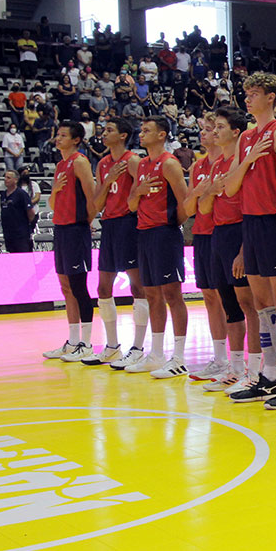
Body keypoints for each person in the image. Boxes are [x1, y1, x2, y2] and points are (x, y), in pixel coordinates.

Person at [222, 73, 276, 405]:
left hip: (274, 221)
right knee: (261, 305)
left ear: (271, 97)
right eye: (246, 94)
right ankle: (269, 374)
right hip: (251, 223)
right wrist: (251, 157)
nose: (248, 99)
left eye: (254, 94)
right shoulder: (246, 140)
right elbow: (230, 187)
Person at [199, 108, 262, 396]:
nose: (214, 132)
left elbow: (251, 208)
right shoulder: (215, 165)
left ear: (235, 132)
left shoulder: (241, 163)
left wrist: (244, 249)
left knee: (249, 305)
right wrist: (210, 191)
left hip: (240, 233)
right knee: (229, 306)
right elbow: (203, 209)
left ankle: (257, 369)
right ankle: (235, 368)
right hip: (218, 235)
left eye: (220, 127)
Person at [124, 117, 192, 379]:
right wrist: (138, 191)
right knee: (151, 294)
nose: (141, 134)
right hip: (143, 233)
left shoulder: (170, 164)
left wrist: (170, 225)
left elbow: (185, 204)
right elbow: (130, 204)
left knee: (172, 295)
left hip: (164, 234)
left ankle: (180, 357)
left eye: (147, 130)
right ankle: (156, 354)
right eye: (141, 130)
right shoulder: (141, 164)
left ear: (162, 135)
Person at [183, 112, 245, 383]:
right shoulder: (198, 167)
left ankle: (241, 362)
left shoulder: (232, 161)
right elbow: (187, 209)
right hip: (204, 234)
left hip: (227, 231)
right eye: (205, 128)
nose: (206, 133)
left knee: (236, 299)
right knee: (210, 296)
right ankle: (220, 359)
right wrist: (199, 193)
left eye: (212, 128)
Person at [83, 118, 149, 369]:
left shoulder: (133, 161)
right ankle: (111, 346)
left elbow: (140, 194)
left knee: (138, 287)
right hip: (109, 225)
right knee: (103, 288)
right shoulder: (102, 164)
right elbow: (97, 204)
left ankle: (138, 347)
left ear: (123, 136)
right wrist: (109, 179)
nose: (103, 133)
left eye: (110, 130)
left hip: (128, 224)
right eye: (104, 130)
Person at [41, 122, 98, 362]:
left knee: (78, 287)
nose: (58, 138)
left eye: (63, 135)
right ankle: (72, 340)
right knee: (65, 287)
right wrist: (54, 191)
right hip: (61, 229)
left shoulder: (80, 162)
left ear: (76, 140)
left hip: (76, 229)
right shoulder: (60, 165)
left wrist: (85, 223)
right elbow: (52, 205)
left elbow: (92, 197)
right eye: (58, 134)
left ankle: (86, 343)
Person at [0, 170, 35, 253]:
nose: (5, 179)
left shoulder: (21, 194)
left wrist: (23, 224)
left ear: (15, 180)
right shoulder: (3, 195)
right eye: (5, 177)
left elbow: (31, 212)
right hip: (8, 233)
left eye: (8, 178)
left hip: (21, 234)